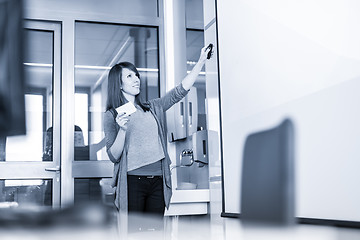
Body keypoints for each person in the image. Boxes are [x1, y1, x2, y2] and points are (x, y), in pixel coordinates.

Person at [103, 45, 212, 215]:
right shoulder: (112, 115)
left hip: (158, 180)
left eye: (136, 75)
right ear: (119, 84)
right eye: (129, 76)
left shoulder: (152, 107)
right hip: (133, 181)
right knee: (135, 233)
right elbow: (113, 156)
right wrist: (123, 130)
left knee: (156, 232)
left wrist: (200, 62)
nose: (136, 79)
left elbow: (179, 92)